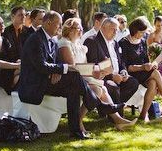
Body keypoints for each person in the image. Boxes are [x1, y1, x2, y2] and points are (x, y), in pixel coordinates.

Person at [16, 11, 127, 139]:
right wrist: (62, 68)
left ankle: (76, 131)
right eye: (58, 24)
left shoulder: (50, 40)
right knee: (74, 78)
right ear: (48, 23)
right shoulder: (35, 39)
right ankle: (100, 105)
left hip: (48, 80)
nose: (60, 27)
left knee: (73, 86)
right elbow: (41, 66)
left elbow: (53, 62)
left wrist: (57, 71)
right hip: (35, 85)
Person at [58, 17, 137, 130]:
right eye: (78, 28)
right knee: (99, 89)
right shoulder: (66, 43)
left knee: (106, 88)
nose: (81, 30)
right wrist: (97, 71)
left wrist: (99, 71)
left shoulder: (78, 44)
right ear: (69, 29)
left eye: (81, 28)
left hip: (85, 76)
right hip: (73, 77)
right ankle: (78, 122)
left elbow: (118, 61)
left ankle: (117, 118)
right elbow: (73, 67)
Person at [119, 17, 162, 122]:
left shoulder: (142, 41)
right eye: (142, 32)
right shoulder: (123, 43)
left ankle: (143, 115)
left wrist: (151, 64)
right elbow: (126, 67)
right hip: (132, 73)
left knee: (153, 82)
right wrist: (143, 67)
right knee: (155, 73)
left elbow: (146, 59)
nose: (143, 35)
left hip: (144, 71)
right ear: (135, 30)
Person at [85, 18, 140, 105]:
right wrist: (111, 76)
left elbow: (121, 61)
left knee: (133, 82)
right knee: (113, 87)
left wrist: (123, 71)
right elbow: (93, 66)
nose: (115, 33)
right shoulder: (92, 41)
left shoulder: (115, 42)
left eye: (116, 30)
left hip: (119, 76)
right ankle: (117, 115)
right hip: (103, 78)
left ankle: (110, 107)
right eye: (112, 29)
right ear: (103, 28)